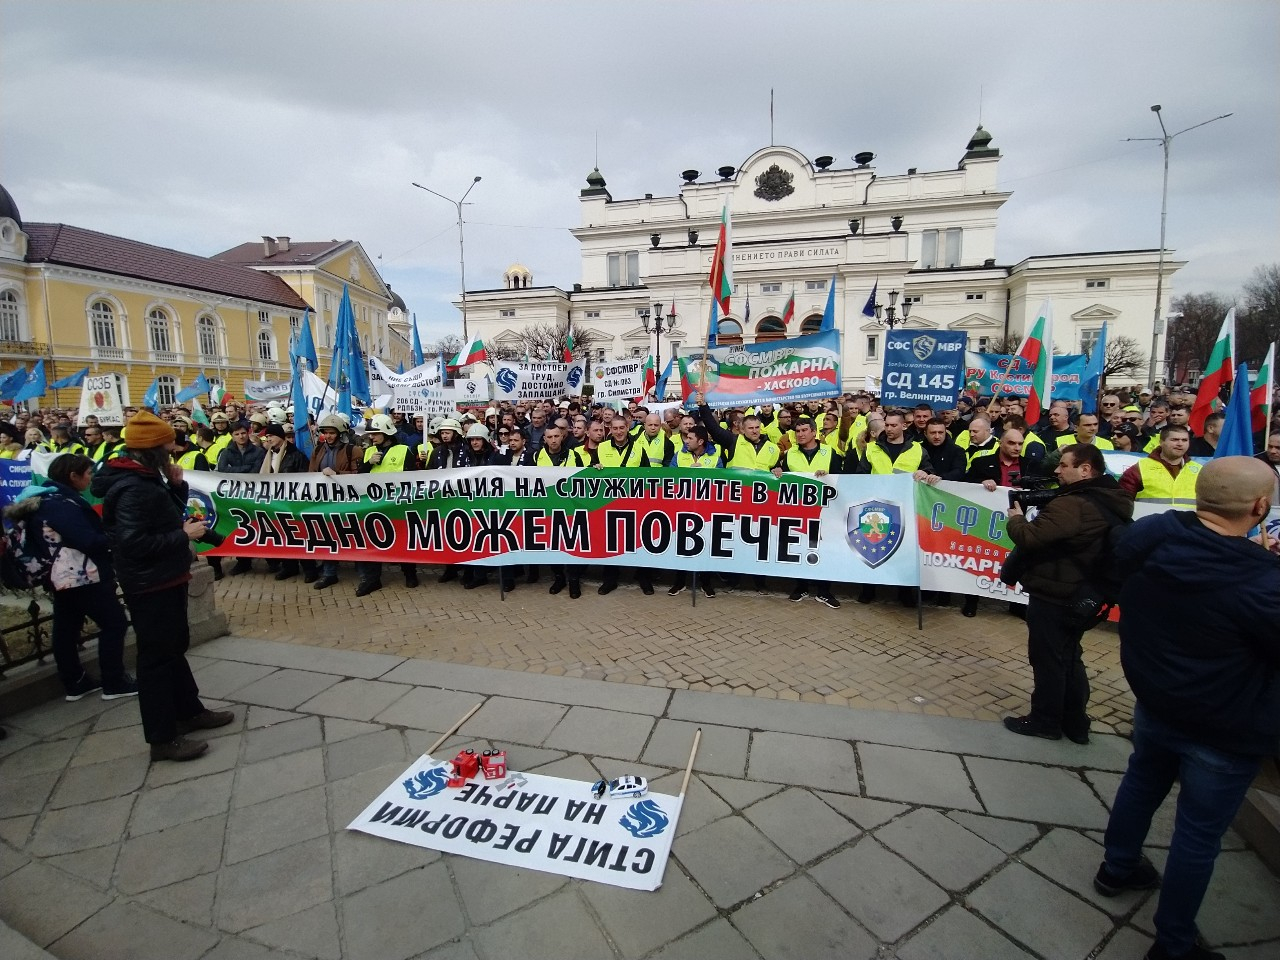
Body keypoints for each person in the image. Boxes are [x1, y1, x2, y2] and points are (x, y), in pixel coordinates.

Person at [1093, 457, 1279, 960]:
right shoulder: (1262, 582)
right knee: (1198, 834)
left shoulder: (1152, 534)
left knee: (1143, 779)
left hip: (1156, 697)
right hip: (1223, 725)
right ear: (1261, 507)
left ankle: (1118, 865)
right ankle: (1174, 944)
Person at [91, 411, 233, 762]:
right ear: (152, 448)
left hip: (166, 578)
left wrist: (177, 488)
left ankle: (189, 711)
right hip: (150, 584)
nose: (174, 449)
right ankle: (162, 737)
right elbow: (133, 543)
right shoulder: (131, 488)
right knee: (155, 659)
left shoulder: (146, 479)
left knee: (173, 648)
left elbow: (161, 517)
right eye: (168, 445)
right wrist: (182, 535)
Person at [1002, 444, 1134, 742]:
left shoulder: (1073, 504)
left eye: (1063, 465)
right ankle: (1075, 723)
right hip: (1080, 593)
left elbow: (1030, 537)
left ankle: (1045, 721)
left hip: (1056, 593)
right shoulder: (1111, 498)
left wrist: (1015, 518)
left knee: (1049, 659)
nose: (1057, 471)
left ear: (1085, 469)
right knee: (1069, 657)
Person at [4, 454, 134, 701]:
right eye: (87, 473)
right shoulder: (61, 504)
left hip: (61, 577)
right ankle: (114, 681)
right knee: (114, 623)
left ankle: (75, 681)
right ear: (72, 476)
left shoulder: (44, 498)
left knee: (66, 628)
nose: (90, 478)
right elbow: (88, 540)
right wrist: (115, 536)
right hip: (81, 575)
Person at [356, 413, 420, 596]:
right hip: (373, 506)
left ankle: (410, 574)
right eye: (371, 434)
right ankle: (372, 579)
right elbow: (359, 477)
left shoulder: (403, 451)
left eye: (375, 433)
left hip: (397, 505)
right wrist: (368, 464)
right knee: (372, 542)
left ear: (386, 433)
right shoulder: (369, 452)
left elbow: (411, 477)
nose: (371, 437)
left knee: (403, 540)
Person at [1118, 425, 1201, 507]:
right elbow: (1121, 502)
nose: (1180, 444)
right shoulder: (1140, 468)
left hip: (1187, 520)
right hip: (1148, 520)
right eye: (1174, 440)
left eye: (1184, 440)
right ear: (1161, 442)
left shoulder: (1199, 470)